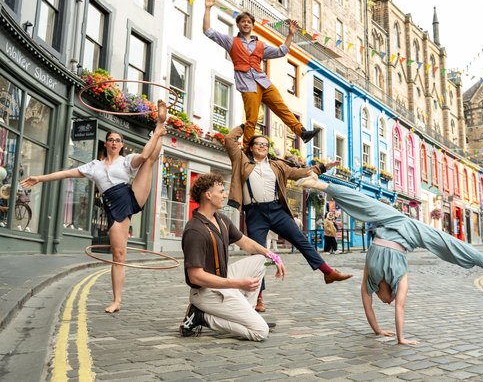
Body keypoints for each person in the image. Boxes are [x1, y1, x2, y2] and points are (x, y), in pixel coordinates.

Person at [296, 173, 483, 345]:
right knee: (446, 244)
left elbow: (369, 309)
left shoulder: (369, 280)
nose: (388, 302)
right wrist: (397, 337)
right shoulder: (400, 277)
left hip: (392, 224)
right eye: (388, 301)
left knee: (369, 206)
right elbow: (399, 308)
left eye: (386, 302)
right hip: (408, 232)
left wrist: (380, 331)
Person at [21, 101, 168, 313]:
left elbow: (144, 156)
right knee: (118, 255)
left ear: (121, 144)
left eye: (118, 140)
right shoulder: (94, 166)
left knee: (150, 160)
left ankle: (160, 124)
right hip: (113, 205)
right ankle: (117, 301)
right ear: (106, 144)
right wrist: (39, 178)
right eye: (111, 140)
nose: (114, 143)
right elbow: (65, 173)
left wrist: (156, 133)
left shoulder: (126, 161)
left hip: (131, 194)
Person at [224, 125, 352, 313]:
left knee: (301, 240)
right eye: (258, 143)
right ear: (250, 147)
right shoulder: (241, 160)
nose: (262, 146)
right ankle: (258, 297)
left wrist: (323, 167)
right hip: (255, 213)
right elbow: (229, 140)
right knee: (258, 256)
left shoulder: (278, 165)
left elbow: (302, 172)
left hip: (277, 210)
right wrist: (246, 125)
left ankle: (328, 273)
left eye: (265, 145)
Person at [203, 0, 319, 151]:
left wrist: (290, 34)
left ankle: (302, 133)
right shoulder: (231, 41)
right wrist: (208, 8)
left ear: (252, 25)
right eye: (243, 21)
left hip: (263, 81)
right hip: (247, 84)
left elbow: (282, 51)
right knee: (252, 119)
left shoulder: (260, 45)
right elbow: (208, 31)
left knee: (282, 107)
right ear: (238, 25)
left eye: (249, 22)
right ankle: (247, 150)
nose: (246, 24)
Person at [180, 172, 286, 341]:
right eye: (221, 191)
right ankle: (201, 316)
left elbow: (245, 242)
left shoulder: (220, 219)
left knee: (260, 259)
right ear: (208, 195)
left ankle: (248, 314)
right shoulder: (195, 230)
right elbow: (196, 276)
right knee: (260, 332)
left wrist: (273, 256)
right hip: (206, 292)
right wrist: (237, 284)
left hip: (222, 277)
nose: (225, 195)